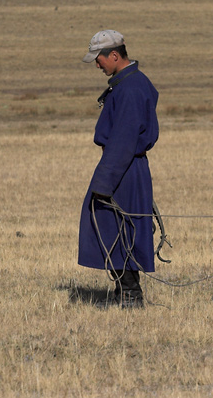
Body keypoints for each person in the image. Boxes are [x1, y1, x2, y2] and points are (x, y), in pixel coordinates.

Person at [79, 30, 159, 308]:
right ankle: (123, 292)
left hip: (123, 168)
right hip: (123, 166)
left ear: (114, 55)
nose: (97, 65)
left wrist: (104, 181)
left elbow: (124, 140)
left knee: (121, 230)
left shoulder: (131, 88)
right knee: (118, 228)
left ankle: (131, 296)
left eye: (99, 59)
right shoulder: (127, 83)